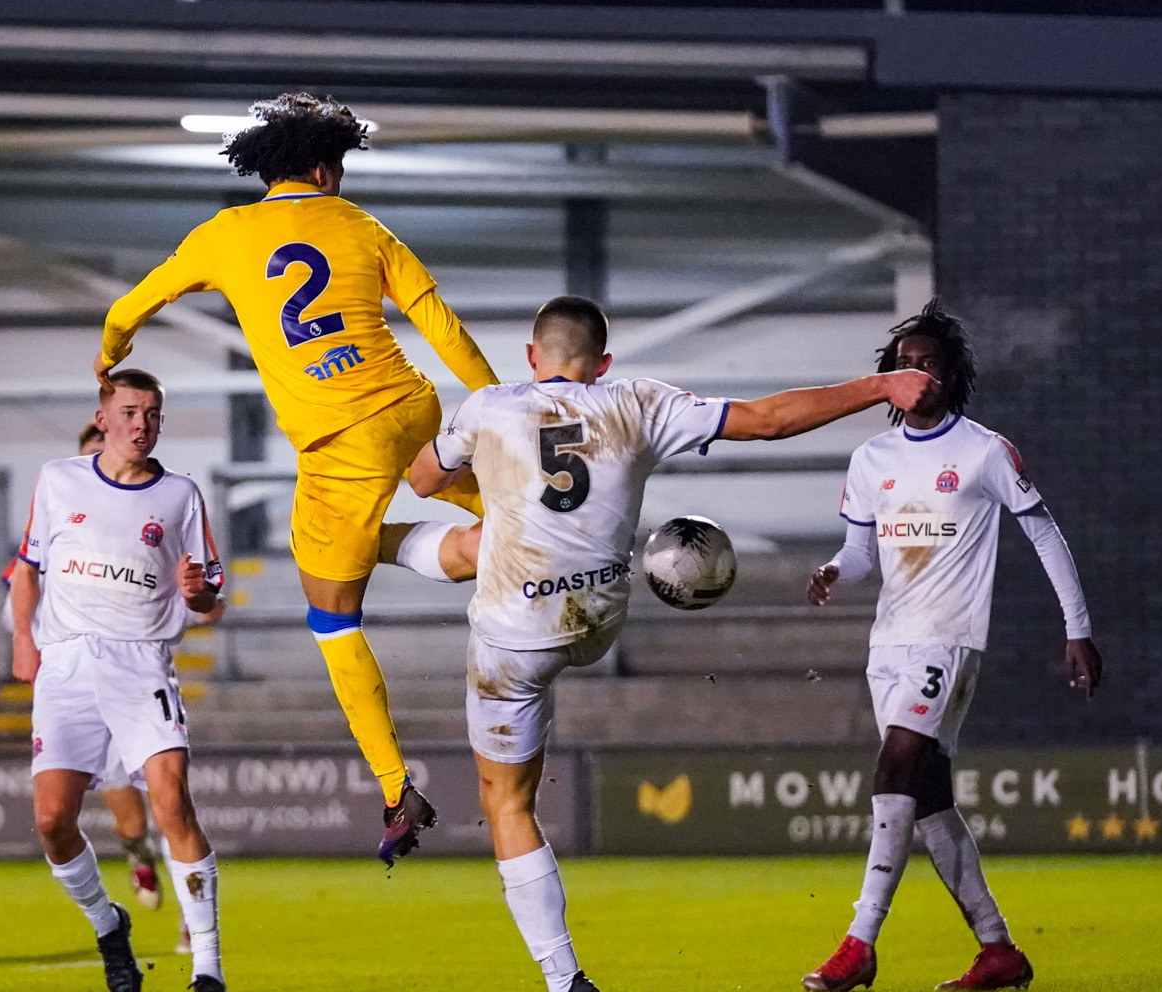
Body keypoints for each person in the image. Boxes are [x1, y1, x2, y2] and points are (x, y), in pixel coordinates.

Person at [403, 295, 940, 992]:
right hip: (597, 621)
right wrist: (878, 386)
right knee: (482, 543)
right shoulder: (638, 402)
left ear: (532, 357)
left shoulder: (488, 407)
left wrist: (483, 465)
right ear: (603, 364)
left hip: (515, 641)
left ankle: (565, 980)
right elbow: (771, 421)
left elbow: (422, 478)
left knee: (507, 803)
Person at [97, 91, 500, 863]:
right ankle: (558, 552)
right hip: (412, 412)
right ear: (321, 168)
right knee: (513, 527)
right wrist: (500, 402)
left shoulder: (225, 235)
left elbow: (130, 306)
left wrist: (108, 351)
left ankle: (393, 785)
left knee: (334, 615)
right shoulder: (361, 227)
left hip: (336, 446)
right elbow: (438, 319)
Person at [800, 301, 1102, 992]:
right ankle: (999, 952)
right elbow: (858, 552)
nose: (914, 372)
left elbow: (1045, 534)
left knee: (897, 765)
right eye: (903, 363)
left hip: (949, 639)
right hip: (890, 646)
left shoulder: (984, 451)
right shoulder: (871, 457)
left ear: (950, 375)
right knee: (928, 799)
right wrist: (830, 573)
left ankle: (859, 941)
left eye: (927, 362)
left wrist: (1076, 628)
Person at [10, 370, 229, 992]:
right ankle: (110, 927)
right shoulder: (58, 479)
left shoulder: (181, 495)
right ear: (103, 418)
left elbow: (210, 596)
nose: (142, 424)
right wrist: (24, 640)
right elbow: (28, 568)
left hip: (142, 663)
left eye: (153, 414)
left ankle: (208, 966)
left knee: (171, 800)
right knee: (53, 820)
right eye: (130, 412)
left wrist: (200, 591)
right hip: (68, 665)